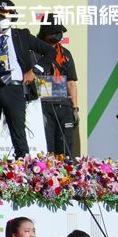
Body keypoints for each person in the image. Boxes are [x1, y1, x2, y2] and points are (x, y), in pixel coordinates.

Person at [0, 0, 54, 159]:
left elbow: (50, 52)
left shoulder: (23, 35)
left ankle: (23, 166)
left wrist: (34, 71)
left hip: (14, 89)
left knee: (18, 132)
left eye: (6, 16)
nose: (1, 20)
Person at [37, 14, 78, 158]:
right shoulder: (34, 51)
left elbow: (71, 82)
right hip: (43, 105)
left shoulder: (65, 53)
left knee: (66, 149)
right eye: (54, 32)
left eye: (60, 32)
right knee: (47, 148)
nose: (58, 35)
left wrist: (75, 108)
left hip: (64, 106)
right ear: (45, 32)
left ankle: (66, 179)